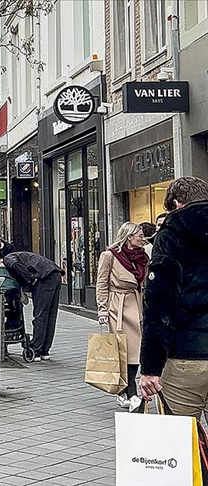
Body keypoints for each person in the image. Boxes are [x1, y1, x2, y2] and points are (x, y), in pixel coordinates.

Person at [140, 176, 208, 421]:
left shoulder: (170, 236)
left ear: (177, 203)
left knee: (180, 438)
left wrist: (150, 368)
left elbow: (159, 305)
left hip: (186, 355)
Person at [96, 222, 149, 409]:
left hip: (136, 304)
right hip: (117, 307)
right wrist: (102, 310)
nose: (143, 239)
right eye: (140, 236)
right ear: (129, 237)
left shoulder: (142, 257)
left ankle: (127, 391)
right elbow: (101, 283)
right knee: (122, 350)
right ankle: (128, 392)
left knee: (135, 351)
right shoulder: (109, 256)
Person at [2, 251, 64, 361]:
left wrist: (30, 278)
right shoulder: (20, 256)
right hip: (55, 274)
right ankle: (44, 350)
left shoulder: (7, 258)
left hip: (44, 278)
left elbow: (16, 265)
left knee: (40, 315)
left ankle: (36, 349)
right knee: (50, 315)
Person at [0, 258, 23, 333]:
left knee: (13, 300)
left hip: (11, 294)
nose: (2, 265)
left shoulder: (12, 272)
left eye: (3, 263)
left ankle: (12, 324)